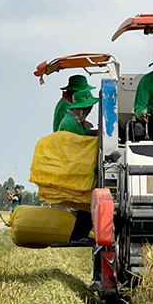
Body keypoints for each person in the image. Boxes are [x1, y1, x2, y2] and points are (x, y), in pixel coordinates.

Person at [58, 89, 98, 243]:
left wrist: (91, 132)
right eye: (88, 108)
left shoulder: (75, 121)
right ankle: (78, 236)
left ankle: (78, 236)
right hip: (75, 168)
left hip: (78, 167)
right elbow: (71, 146)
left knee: (86, 203)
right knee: (85, 203)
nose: (90, 110)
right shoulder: (69, 124)